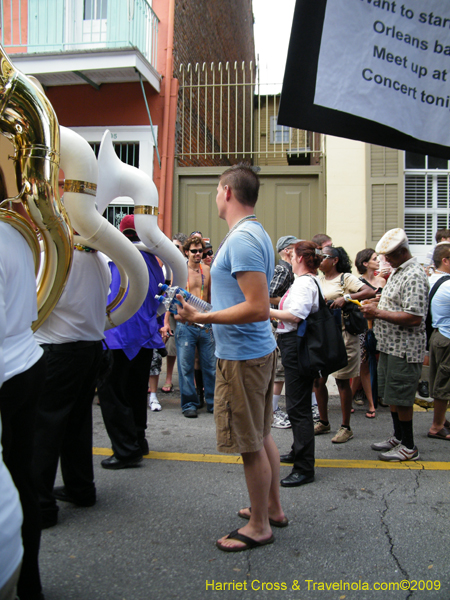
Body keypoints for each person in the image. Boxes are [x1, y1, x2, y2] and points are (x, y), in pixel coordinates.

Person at [176, 163, 286, 552]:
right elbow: (241, 303)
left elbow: (256, 307)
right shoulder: (252, 233)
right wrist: (194, 305)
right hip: (253, 352)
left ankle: (259, 526)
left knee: (249, 444)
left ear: (226, 191)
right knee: (262, 434)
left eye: (216, 189)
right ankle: (271, 509)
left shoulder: (240, 240)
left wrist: (201, 317)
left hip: (243, 358)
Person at [33, 240, 110, 528]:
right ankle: (81, 488)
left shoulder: (50, 253)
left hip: (58, 348)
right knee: (77, 421)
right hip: (89, 348)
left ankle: (41, 507)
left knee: (45, 427)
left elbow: (37, 302)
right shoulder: (98, 257)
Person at [0, 220, 47, 600]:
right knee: (21, 476)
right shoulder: (16, 233)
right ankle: (29, 581)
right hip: (26, 360)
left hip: (7, 371)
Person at [98, 214, 166, 469]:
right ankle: (138, 440)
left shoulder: (119, 258)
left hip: (118, 337)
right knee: (137, 391)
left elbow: (110, 294)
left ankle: (126, 449)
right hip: (145, 337)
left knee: (114, 394)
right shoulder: (154, 261)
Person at [362, 228, 428, 461]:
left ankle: (409, 447)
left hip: (404, 349)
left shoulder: (414, 275)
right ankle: (398, 437)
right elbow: (397, 301)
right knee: (391, 395)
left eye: (389, 255)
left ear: (402, 252)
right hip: (390, 346)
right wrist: (377, 301)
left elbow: (414, 317)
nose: (385, 260)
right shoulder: (400, 271)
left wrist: (377, 312)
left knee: (401, 397)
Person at [270, 241, 323, 487]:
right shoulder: (305, 281)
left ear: (301, 258)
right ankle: (297, 451)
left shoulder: (303, 283)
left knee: (298, 408)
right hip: (294, 344)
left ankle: (304, 467)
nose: (289, 258)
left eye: (292, 254)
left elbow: (295, 316)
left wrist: (266, 310)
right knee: (296, 404)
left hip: (296, 346)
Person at [314, 247, 374, 443]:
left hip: (345, 334)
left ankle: (346, 427)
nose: (319, 260)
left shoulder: (345, 278)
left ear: (335, 260)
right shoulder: (318, 279)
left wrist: (345, 298)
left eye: (324, 257)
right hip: (324, 335)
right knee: (319, 380)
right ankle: (324, 422)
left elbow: (368, 291)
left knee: (342, 380)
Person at [175, 235, 216, 418]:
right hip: (186, 325)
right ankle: (189, 404)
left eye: (201, 250)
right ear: (186, 252)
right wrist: (171, 320)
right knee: (186, 367)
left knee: (210, 366)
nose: (198, 254)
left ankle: (213, 402)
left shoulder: (207, 270)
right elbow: (171, 297)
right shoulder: (179, 271)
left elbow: (211, 298)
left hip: (205, 325)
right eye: (194, 251)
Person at [351, 248, 386, 418]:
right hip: (364, 327)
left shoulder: (382, 281)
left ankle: (350, 397)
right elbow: (355, 303)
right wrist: (372, 300)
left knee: (366, 365)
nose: (378, 261)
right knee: (364, 365)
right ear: (365, 263)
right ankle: (371, 404)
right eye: (374, 258)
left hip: (380, 326)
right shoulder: (357, 282)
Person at [269, 235, 298, 429]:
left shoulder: (289, 269)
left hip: (282, 324)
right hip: (278, 325)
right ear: (287, 250)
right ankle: (271, 412)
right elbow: (268, 294)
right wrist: (286, 303)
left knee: (283, 369)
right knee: (279, 369)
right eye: (295, 247)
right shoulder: (283, 269)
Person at [426, 243, 450, 440]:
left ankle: (441, 420)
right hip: (446, 336)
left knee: (440, 379)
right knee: (444, 381)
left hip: (437, 334)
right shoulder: (448, 283)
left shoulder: (432, 279)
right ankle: (437, 426)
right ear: (445, 261)